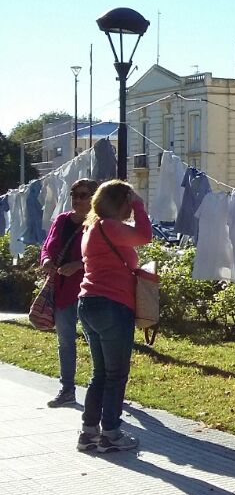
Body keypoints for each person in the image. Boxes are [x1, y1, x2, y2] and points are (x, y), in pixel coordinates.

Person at [77, 180, 151, 453]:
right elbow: (145, 235)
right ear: (122, 203)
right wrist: (140, 206)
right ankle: (110, 434)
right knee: (116, 375)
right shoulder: (108, 226)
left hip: (89, 302)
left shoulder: (92, 228)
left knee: (100, 373)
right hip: (112, 305)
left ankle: (89, 433)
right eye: (128, 203)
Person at [40, 178, 99, 408]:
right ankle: (67, 390)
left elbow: (103, 258)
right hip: (62, 291)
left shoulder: (99, 224)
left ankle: (103, 388)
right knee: (65, 341)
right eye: (74, 194)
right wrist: (46, 259)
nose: (77, 199)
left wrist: (78, 265)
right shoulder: (62, 220)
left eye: (83, 195)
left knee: (95, 342)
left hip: (90, 292)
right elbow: (47, 246)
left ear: (94, 198)